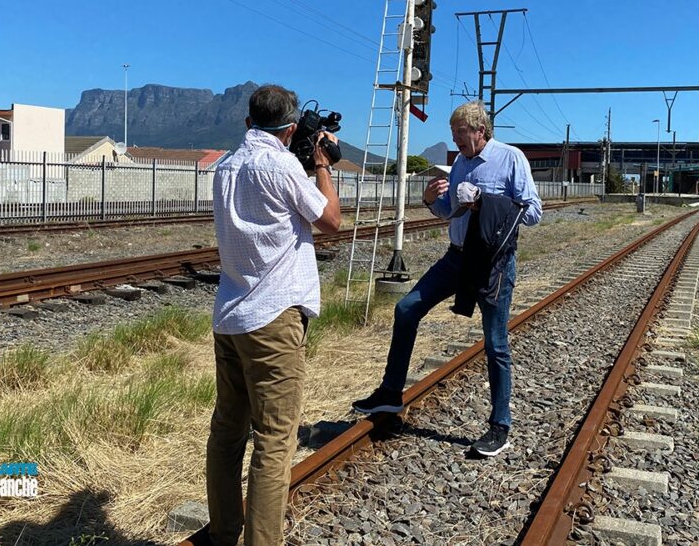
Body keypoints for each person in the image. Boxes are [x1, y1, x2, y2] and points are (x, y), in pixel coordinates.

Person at [352, 101, 542, 457]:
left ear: (480, 130)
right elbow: (449, 212)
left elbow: (532, 213)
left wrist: (485, 201)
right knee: (406, 308)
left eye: (460, 132)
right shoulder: (460, 164)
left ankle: (500, 425)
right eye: (453, 132)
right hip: (455, 258)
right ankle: (391, 393)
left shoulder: (511, 158)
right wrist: (429, 201)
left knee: (495, 343)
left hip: (493, 263)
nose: (454, 139)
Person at [205, 84, 340, 546]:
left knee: (227, 431)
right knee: (275, 439)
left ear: (247, 123)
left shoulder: (224, 167)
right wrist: (321, 163)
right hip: (274, 318)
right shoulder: (283, 165)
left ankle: (223, 531)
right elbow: (331, 221)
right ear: (291, 129)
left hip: (230, 315)